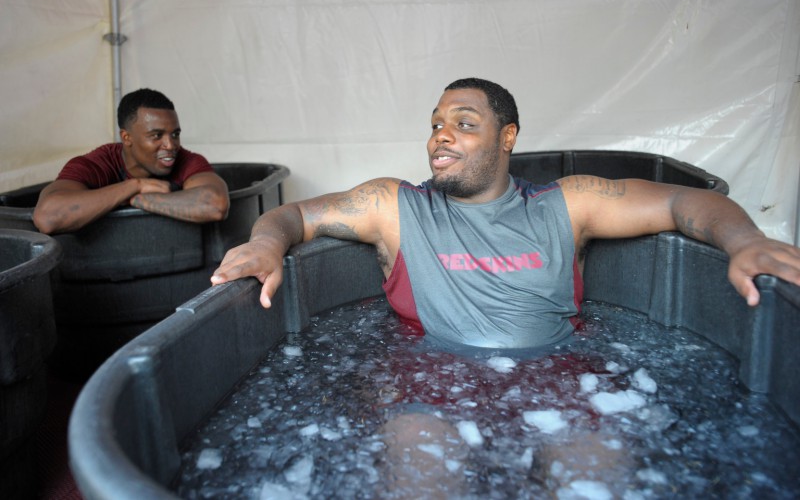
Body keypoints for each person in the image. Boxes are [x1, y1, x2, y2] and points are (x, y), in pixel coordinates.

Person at [211, 78, 800, 350]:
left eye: (465, 123)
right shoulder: (393, 206)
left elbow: (680, 200)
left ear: (508, 136)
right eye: (436, 124)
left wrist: (744, 239)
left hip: (558, 380)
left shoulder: (566, 204)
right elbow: (292, 217)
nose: (441, 136)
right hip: (430, 382)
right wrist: (266, 244)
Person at [33, 88, 229, 234]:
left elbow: (215, 204)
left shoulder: (188, 160)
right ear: (127, 138)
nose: (170, 145)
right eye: (156, 135)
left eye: (175, 134)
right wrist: (134, 185)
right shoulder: (96, 164)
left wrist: (133, 198)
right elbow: (48, 217)